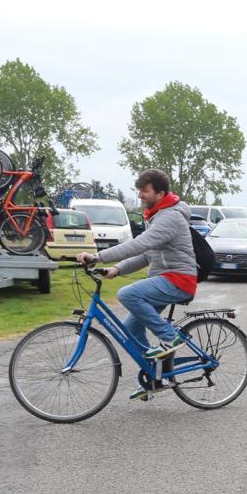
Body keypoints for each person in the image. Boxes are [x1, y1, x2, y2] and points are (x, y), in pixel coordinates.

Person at [77, 169, 197, 402]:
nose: (140, 194)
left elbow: (140, 244)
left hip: (179, 279)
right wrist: (118, 269)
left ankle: (171, 338)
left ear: (160, 193)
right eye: (139, 189)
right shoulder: (157, 216)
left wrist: (98, 256)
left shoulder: (170, 217)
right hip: (164, 279)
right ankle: (156, 377)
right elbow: (146, 255)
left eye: (145, 190)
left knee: (128, 294)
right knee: (130, 327)